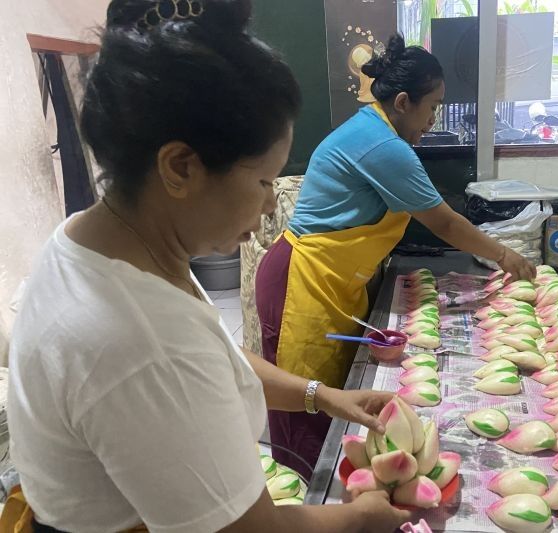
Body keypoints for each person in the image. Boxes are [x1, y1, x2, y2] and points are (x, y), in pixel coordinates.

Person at [3, 1, 410, 531]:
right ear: (180, 168)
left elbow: (218, 354)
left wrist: (321, 396)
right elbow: (246, 529)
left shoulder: (104, 240)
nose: (270, 205)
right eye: (263, 181)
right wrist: (358, 519)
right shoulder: (140, 341)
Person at [255, 33, 537, 474]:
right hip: (302, 282)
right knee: (307, 405)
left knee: (338, 400)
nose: (434, 119)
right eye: (432, 107)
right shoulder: (384, 146)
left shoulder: (374, 129)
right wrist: (506, 256)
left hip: (332, 279)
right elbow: (444, 222)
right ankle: (307, 499)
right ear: (403, 101)